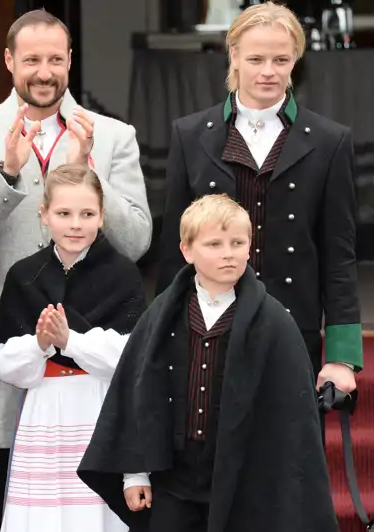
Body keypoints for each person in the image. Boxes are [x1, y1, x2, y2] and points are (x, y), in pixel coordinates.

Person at [0, 9, 152, 524]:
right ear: (9, 60)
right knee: (2, 489)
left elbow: (138, 243)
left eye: (55, 59)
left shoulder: (113, 135)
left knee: (86, 500)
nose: (44, 71)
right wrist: (7, 173)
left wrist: (87, 175)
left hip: (93, 359)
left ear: (69, 61)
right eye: (32, 59)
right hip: (5, 340)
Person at [78, 194, 338, 532]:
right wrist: (135, 472)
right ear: (187, 250)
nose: (228, 253)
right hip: (174, 478)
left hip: (246, 481)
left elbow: (292, 422)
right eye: (214, 244)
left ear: (250, 247)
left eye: (237, 243)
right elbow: (137, 393)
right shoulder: (161, 318)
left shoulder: (274, 323)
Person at [155, 1, 362, 395]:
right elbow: (173, 252)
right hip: (206, 329)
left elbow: (340, 255)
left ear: (295, 60)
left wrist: (341, 356)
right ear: (233, 56)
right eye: (256, 58)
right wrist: (165, 338)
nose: (268, 71)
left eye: (280, 59)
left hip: (293, 330)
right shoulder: (190, 135)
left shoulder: (329, 141)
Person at [0, 164, 146, 532]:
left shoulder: (122, 274)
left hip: (98, 408)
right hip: (44, 408)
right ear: (44, 215)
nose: (76, 224)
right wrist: (40, 344)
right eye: (63, 213)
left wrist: (69, 341)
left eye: (87, 214)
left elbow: (130, 358)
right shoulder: (24, 275)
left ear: (102, 216)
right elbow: (1, 361)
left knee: (94, 511)